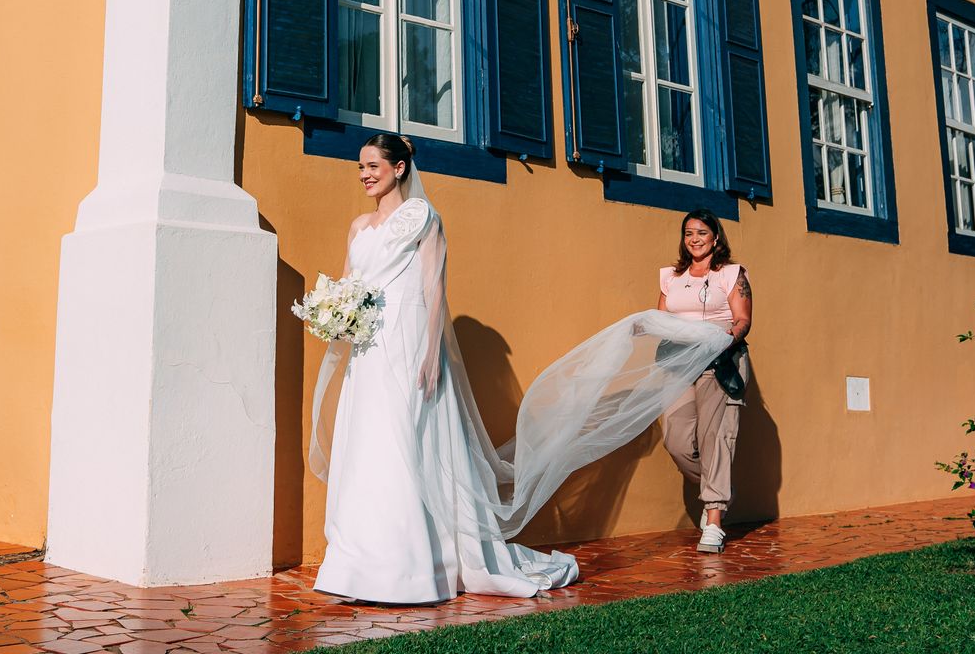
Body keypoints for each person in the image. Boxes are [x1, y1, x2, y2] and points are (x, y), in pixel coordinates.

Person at [311, 134, 730, 604]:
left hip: (408, 346)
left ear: (400, 168)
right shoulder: (357, 227)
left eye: (373, 165)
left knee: (408, 443)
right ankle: (358, 564)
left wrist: (430, 354)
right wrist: (334, 311)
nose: (366, 174)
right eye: (361, 167)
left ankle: (411, 567)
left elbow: (433, 289)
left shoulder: (423, 218)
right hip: (368, 351)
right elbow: (346, 282)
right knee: (368, 445)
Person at [657, 209, 752, 553]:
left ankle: (713, 520)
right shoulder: (671, 276)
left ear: (715, 236)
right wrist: (644, 327)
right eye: (688, 233)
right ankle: (719, 489)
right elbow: (662, 318)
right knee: (676, 439)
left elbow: (743, 319)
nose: (694, 239)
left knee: (716, 437)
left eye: (700, 232)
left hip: (721, 362)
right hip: (680, 364)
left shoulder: (731, 274)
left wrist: (727, 338)